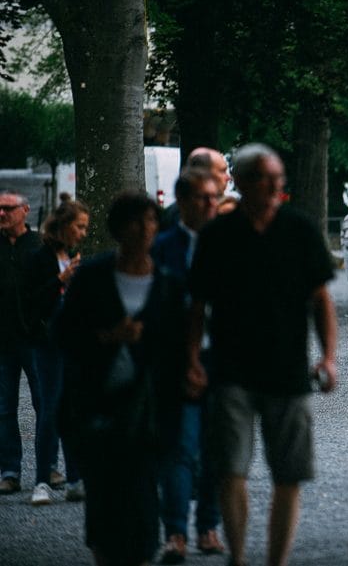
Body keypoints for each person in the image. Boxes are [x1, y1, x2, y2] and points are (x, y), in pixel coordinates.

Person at [185, 144, 338, 566]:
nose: (274, 186)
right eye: (264, 178)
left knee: (289, 474)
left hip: (287, 368)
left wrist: (328, 357)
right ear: (241, 182)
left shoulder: (299, 229)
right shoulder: (219, 234)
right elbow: (197, 304)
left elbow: (321, 298)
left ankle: (277, 560)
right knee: (230, 469)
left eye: (278, 178)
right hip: (230, 368)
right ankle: (237, 557)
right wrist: (192, 359)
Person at [55, 192, 188, 566]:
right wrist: (107, 337)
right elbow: (64, 333)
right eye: (135, 222)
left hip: (148, 409)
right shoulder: (93, 277)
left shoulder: (167, 285)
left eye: (150, 221)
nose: (144, 230)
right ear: (118, 228)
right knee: (103, 498)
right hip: (96, 403)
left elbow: (176, 349)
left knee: (144, 498)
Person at [150, 169, 226, 561]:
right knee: (180, 448)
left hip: (222, 360)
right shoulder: (163, 248)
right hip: (175, 360)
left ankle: (209, 528)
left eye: (215, 197)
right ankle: (175, 531)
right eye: (202, 198)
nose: (211, 205)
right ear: (182, 202)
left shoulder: (231, 244)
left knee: (215, 450)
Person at [25, 200, 90, 506]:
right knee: (50, 410)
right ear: (64, 226)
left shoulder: (75, 255)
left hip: (72, 342)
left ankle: (76, 478)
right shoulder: (40, 258)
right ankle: (42, 479)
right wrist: (60, 281)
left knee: (73, 409)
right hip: (47, 343)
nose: (83, 233)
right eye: (79, 226)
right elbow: (33, 301)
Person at [0, 189, 45, 497]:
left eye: (8, 209)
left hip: (35, 339)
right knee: (4, 408)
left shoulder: (39, 245)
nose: (2, 214)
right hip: (3, 340)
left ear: (25, 211)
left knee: (45, 404)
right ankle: (10, 470)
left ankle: (48, 467)